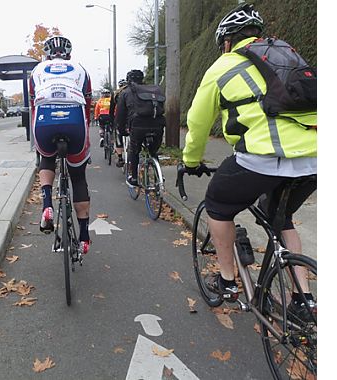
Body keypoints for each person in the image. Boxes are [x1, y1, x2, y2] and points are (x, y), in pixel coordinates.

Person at [181, 3, 317, 313]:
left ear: (227, 41)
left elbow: (198, 122)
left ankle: (228, 281)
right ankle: (303, 299)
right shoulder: (289, 56)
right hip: (314, 157)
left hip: (262, 157)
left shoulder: (224, 64)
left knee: (218, 204)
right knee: (281, 218)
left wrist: (190, 161)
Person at [29, 36, 93, 255]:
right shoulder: (80, 69)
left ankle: (47, 203)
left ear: (47, 55)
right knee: (78, 176)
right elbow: (88, 105)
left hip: (45, 118)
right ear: (69, 54)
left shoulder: (37, 70)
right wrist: (85, 141)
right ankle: (84, 236)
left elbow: (32, 104)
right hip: (75, 118)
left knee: (46, 157)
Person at [115, 69, 165, 186]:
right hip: (158, 124)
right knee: (153, 151)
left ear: (128, 80)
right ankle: (159, 176)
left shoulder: (126, 92)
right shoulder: (153, 91)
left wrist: (121, 130)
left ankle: (134, 178)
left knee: (134, 150)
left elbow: (120, 115)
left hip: (138, 125)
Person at [109, 79, 128, 167]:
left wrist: (111, 122)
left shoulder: (116, 93)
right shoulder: (133, 92)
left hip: (121, 118)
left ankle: (120, 158)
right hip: (133, 118)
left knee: (118, 135)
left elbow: (112, 109)